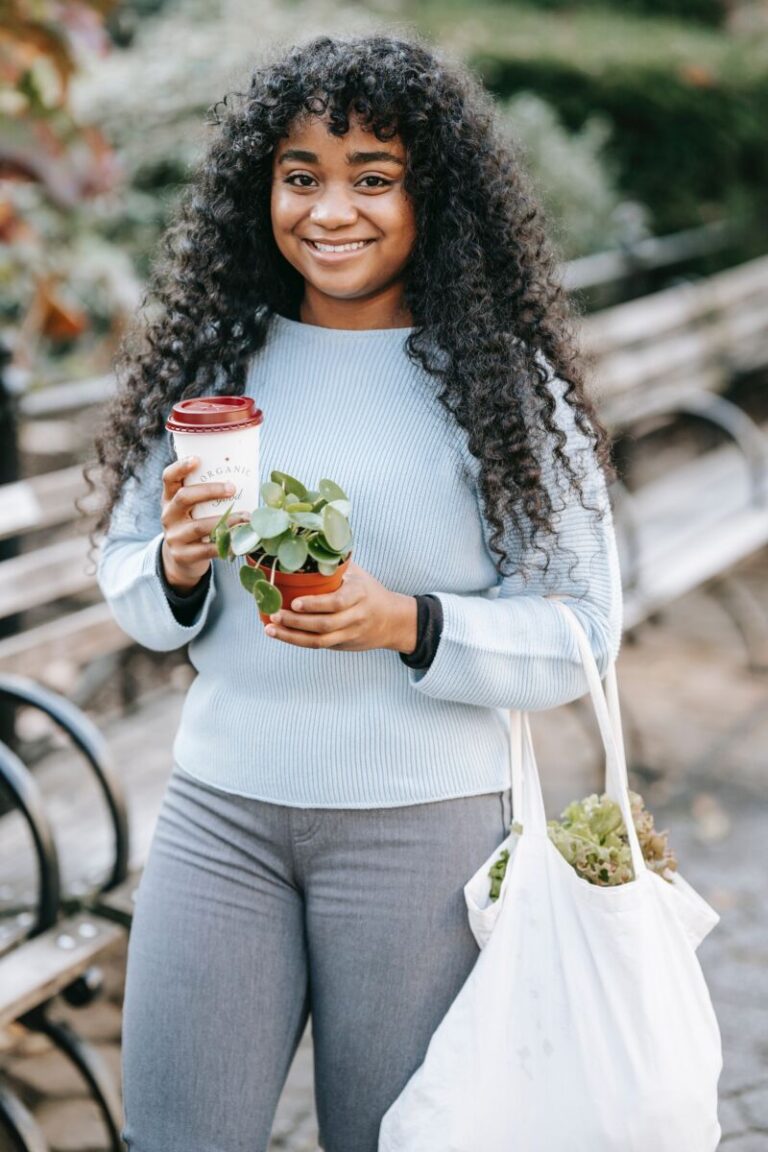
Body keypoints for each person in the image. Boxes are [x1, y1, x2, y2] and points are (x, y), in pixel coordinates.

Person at [88, 31, 623, 1152]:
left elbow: (582, 634)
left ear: (436, 201)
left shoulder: (503, 388)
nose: (332, 210)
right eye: (302, 177)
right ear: (263, 190)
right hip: (219, 815)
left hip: (423, 834)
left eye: (373, 178)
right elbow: (130, 577)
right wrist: (180, 566)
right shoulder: (214, 368)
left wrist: (408, 624)